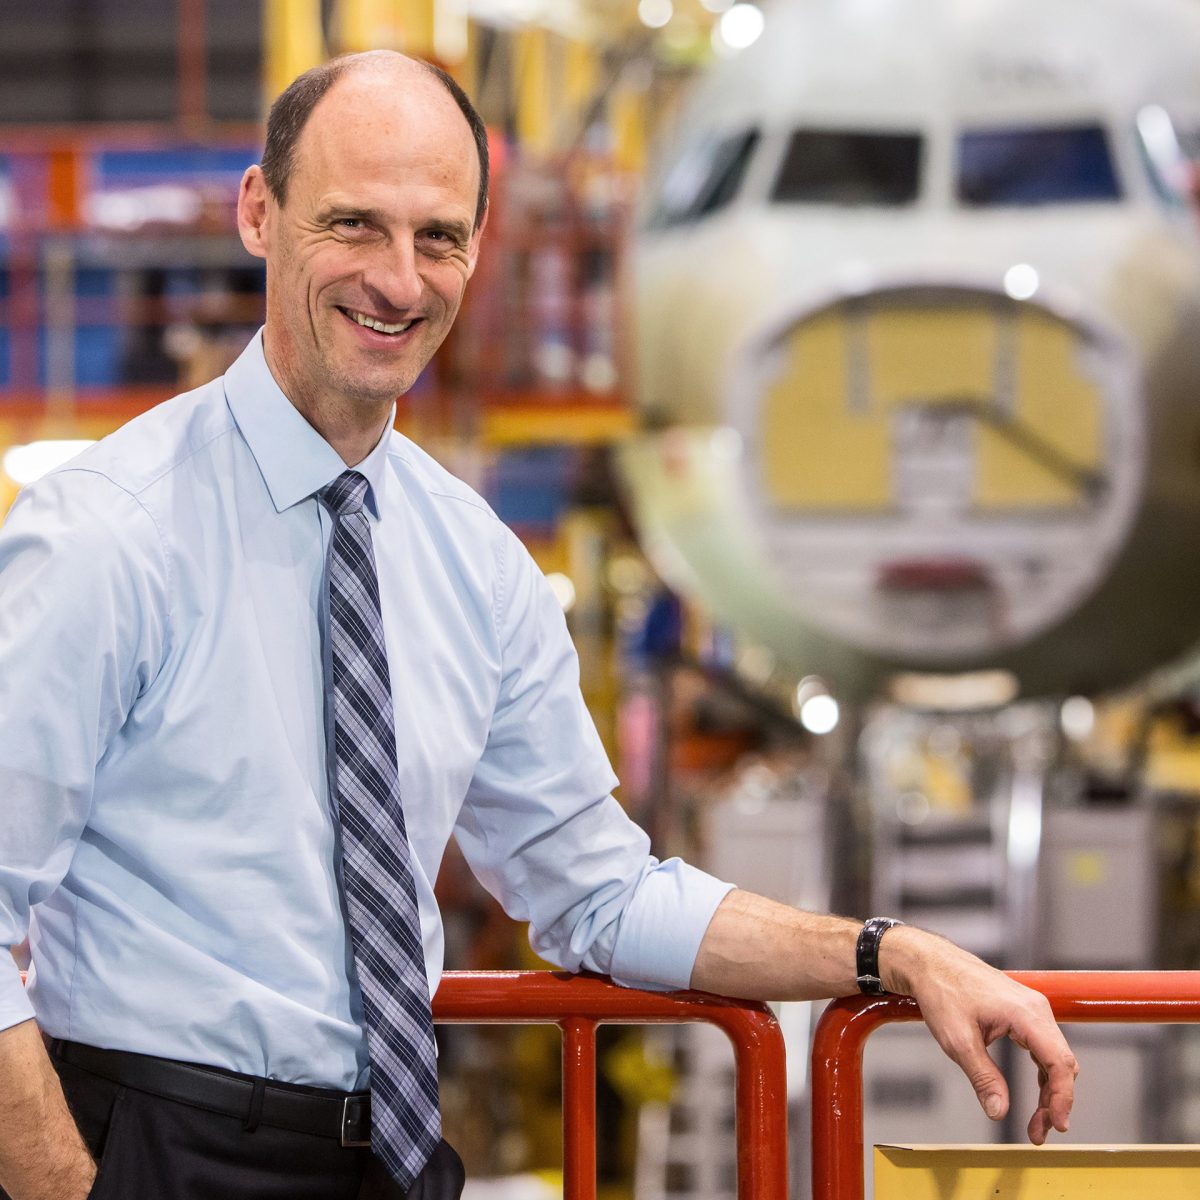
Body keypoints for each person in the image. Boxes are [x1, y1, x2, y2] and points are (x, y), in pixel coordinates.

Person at [0, 51, 1077, 1200]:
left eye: (440, 238)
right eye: (353, 225)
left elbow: (600, 893)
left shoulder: (476, 567)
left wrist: (887, 954)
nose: (399, 282)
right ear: (259, 214)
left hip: (395, 1162)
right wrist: (71, 1186)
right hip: (157, 1147)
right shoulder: (108, 537)